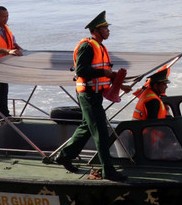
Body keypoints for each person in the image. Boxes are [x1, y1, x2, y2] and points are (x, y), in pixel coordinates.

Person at [47, 11, 128, 181]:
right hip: (88, 95)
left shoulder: (100, 47)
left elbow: (102, 73)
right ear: (96, 31)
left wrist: (119, 83)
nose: (108, 30)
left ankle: (65, 156)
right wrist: (104, 72)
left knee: (86, 127)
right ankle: (108, 170)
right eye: (105, 28)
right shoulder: (87, 46)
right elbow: (81, 71)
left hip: (96, 94)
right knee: (100, 131)